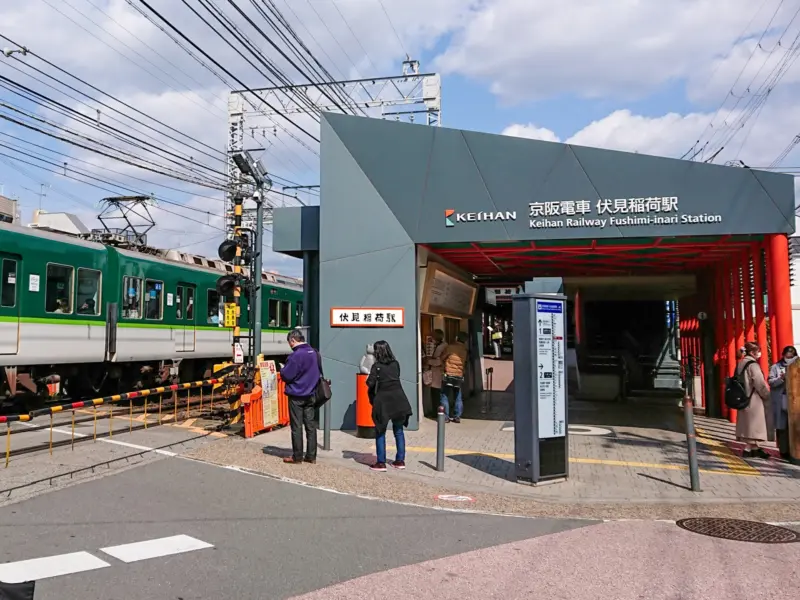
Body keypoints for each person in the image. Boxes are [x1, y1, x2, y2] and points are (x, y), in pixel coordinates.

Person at [366, 340, 413, 472]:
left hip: (383, 402)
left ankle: (381, 463)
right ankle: (400, 461)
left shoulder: (376, 366)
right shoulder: (395, 364)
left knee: (380, 431)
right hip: (399, 399)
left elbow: (370, 383)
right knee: (398, 431)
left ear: (377, 352)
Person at [278, 329, 321, 464]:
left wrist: (282, 368)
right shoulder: (314, 353)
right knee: (311, 427)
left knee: (296, 427)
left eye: (289, 343)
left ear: (293, 340)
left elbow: (287, 375)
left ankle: (297, 457)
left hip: (297, 395)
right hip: (311, 394)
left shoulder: (296, 356)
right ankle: (311, 456)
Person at [734, 341, 772, 459]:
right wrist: (767, 395)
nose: (760, 353)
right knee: (756, 424)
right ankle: (748, 449)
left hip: (743, 397)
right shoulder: (753, 365)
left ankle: (756, 449)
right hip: (753, 398)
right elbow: (759, 383)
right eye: (758, 351)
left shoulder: (740, 363)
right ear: (752, 352)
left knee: (751, 425)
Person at [768, 345, 796, 459]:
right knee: (782, 427)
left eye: (792, 357)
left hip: (795, 401)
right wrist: (781, 378)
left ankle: (794, 450)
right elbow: (770, 382)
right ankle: (784, 450)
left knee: (794, 426)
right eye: (787, 356)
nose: (789, 359)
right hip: (781, 400)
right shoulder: (776, 367)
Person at [441, 331, 468, 423]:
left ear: (456, 338)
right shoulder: (465, 349)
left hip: (448, 374)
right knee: (458, 396)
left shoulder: (450, 347)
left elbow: (443, 357)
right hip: (459, 375)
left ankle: (446, 417)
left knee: (445, 395)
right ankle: (457, 416)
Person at [422, 329, 447, 419]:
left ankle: (438, 413)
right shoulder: (440, 345)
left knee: (437, 394)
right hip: (437, 373)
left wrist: (428, 361)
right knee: (436, 394)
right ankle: (437, 412)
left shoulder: (442, 347)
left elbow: (439, 361)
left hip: (438, 373)